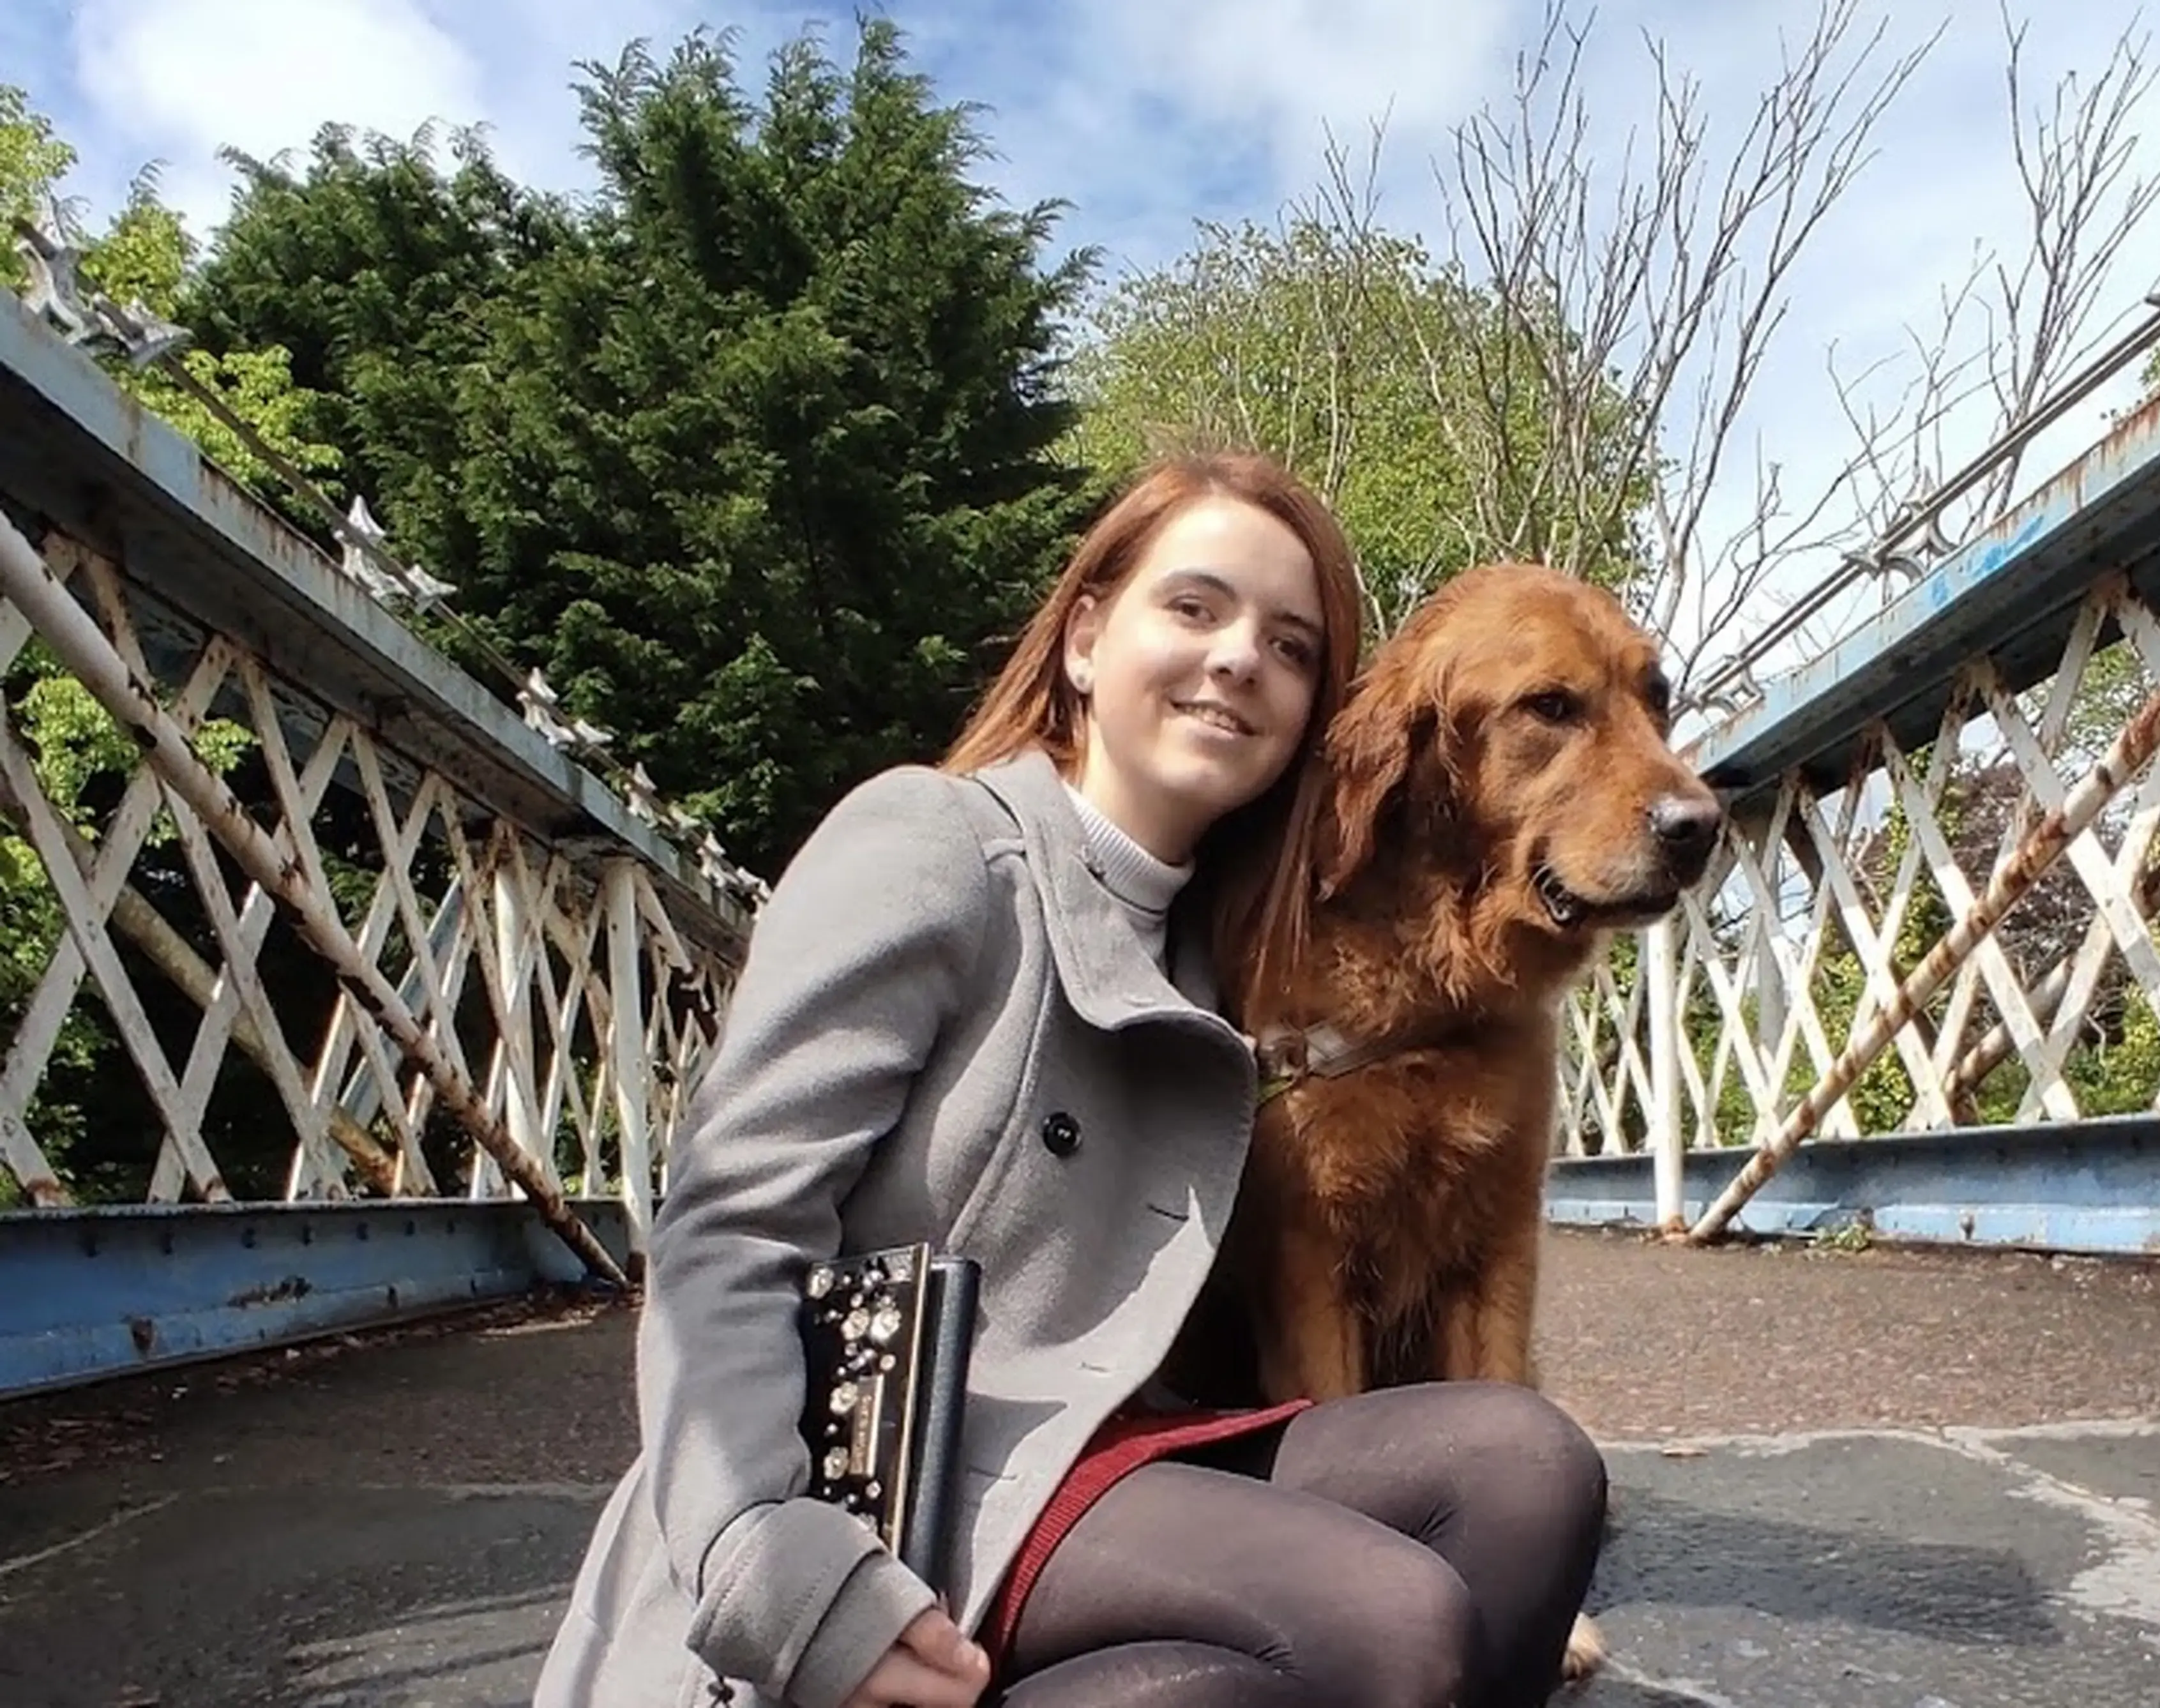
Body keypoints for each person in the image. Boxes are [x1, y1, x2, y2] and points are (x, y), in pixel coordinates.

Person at [533, 452, 1609, 1708]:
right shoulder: (935, 844)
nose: (1237, 658)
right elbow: (727, 1228)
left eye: (1293, 645)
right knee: (1390, 1615)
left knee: (1526, 1467)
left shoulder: (1244, 940)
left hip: (1118, 1444)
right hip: (903, 1480)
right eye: (1195, 608)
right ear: (1089, 637)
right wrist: (766, 1555)